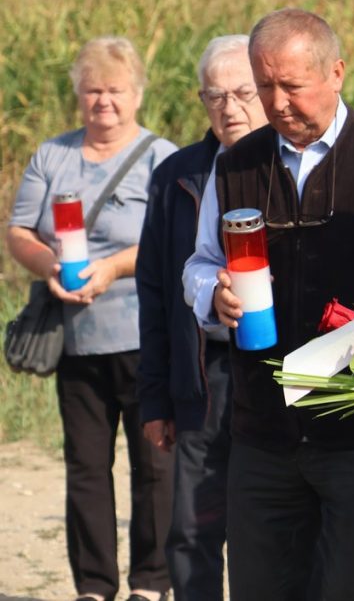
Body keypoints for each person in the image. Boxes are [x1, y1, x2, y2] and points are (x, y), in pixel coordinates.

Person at [182, 8, 354, 601]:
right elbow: (200, 261)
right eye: (265, 86)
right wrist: (212, 293)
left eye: (292, 85)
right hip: (263, 434)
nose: (278, 103)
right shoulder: (235, 164)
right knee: (259, 588)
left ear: (336, 73)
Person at [6, 37, 177, 601]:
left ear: (138, 95)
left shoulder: (162, 158)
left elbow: (174, 240)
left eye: (115, 90)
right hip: (75, 339)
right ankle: (94, 586)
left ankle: (150, 583)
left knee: (155, 465)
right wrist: (50, 266)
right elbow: (19, 232)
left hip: (146, 334)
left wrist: (114, 268)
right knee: (85, 466)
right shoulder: (52, 156)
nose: (104, 101)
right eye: (93, 90)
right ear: (78, 95)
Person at [137, 34, 268, 600]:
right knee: (192, 528)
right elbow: (154, 292)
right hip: (203, 375)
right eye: (215, 96)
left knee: (269, 530)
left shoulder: (290, 167)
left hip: (274, 374)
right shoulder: (178, 175)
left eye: (242, 93)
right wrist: (155, 398)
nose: (229, 108)